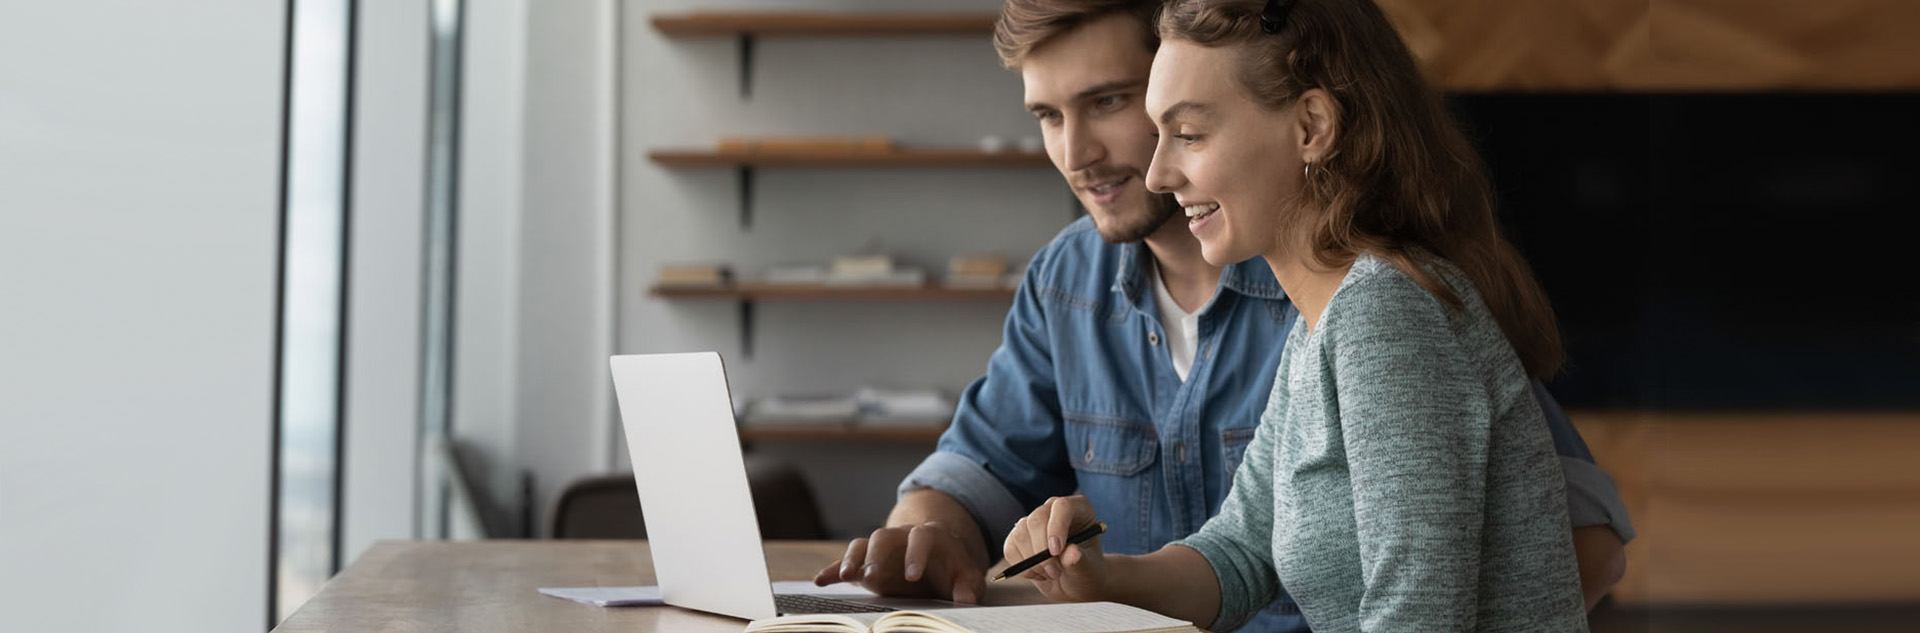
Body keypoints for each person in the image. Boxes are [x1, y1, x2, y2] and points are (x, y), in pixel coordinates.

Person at [815, 1, 1631, 630]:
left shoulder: (1385, 316)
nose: (1160, 171)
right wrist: (1105, 577)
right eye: (1048, 117)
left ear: (1312, 126)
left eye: (1189, 133)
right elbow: (1240, 549)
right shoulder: (1327, 323)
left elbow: (1423, 610)